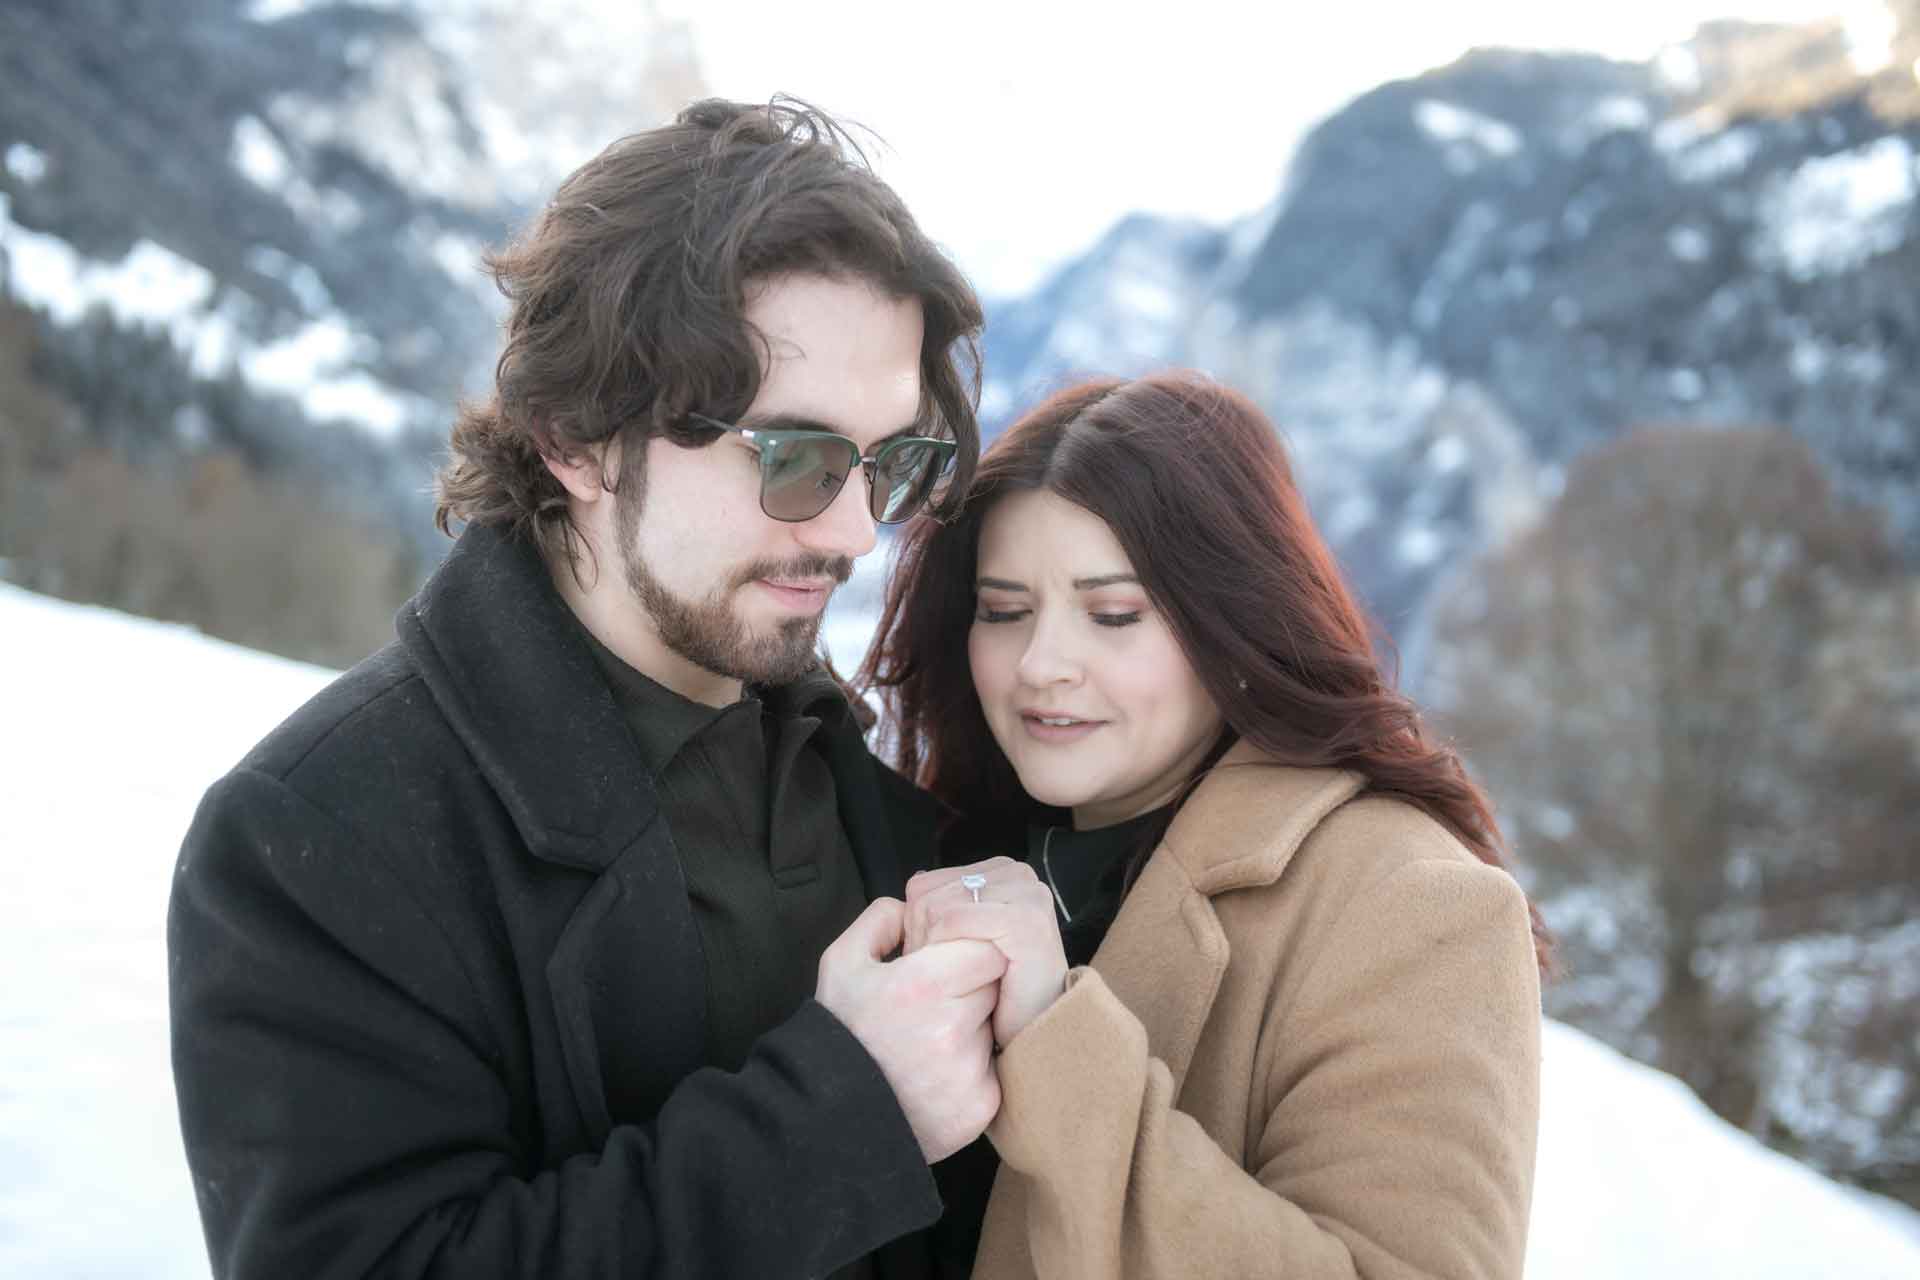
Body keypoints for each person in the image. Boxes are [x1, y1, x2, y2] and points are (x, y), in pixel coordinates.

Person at [168, 99, 1002, 1279]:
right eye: (796, 459)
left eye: (889, 462)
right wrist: (840, 1114)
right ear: (576, 435)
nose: (858, 530)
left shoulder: (868, 788)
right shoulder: (319, 831)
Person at [859, 372, 1551, 1278]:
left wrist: (1052, 1041)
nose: (1041, 664)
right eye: (1004, 611)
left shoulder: (1415, 907)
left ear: (1231, 618)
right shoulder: (939, 857)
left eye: (1113, 615)